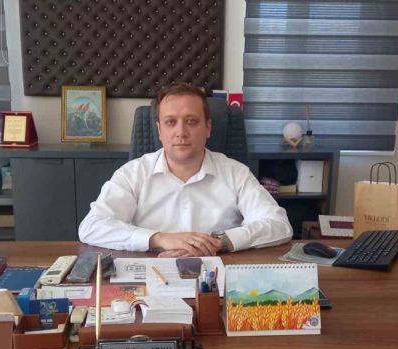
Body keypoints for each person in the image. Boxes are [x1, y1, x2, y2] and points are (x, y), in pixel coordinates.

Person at [78, 82, 293, 257]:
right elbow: (92, 226)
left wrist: (219, 242)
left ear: (208, 127)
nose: (181, 132)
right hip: (152, 273)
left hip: (218, 272)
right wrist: (159, 238)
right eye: (171, 122)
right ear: (159, 130)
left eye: (191, 121)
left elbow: (279, 225)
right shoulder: (133, 173)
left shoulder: (236, 173)